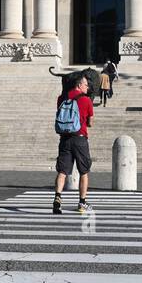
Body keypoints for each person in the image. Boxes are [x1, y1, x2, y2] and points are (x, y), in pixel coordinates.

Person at [53, 73, 94, 215]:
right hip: (80, 138)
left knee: (62, 171)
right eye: (85, 84)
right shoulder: (86, 100)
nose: (87, 87)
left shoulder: (62, 98)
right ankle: (82, 202)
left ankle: (57, 198)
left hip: (64, 138)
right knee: (84, 171)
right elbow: (90, 122)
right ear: (79, 85)